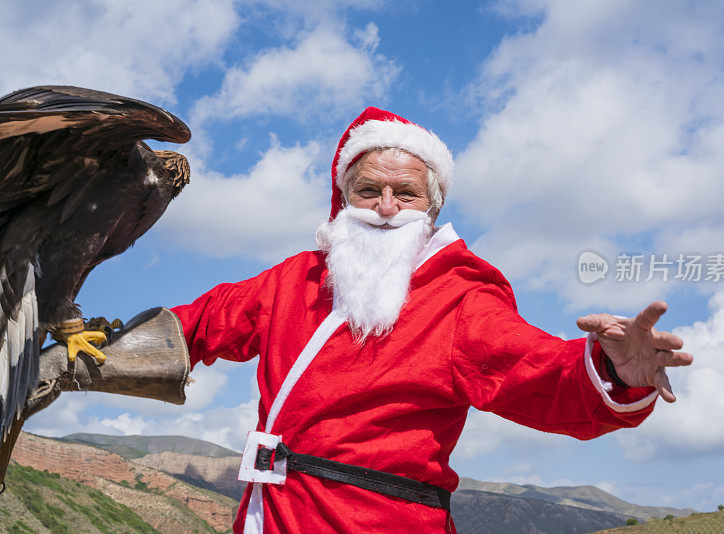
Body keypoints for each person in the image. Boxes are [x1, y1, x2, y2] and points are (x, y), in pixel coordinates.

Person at [171, 107, 693, 533]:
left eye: (406, 194)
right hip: (273, 516)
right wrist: (102, 338)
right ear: (342, 200)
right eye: (369, 191)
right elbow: (195, 325)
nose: (386, 208)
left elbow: (535, 370)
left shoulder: (460, 297)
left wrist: (611, 370)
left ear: (432, 210)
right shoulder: (295, 279)